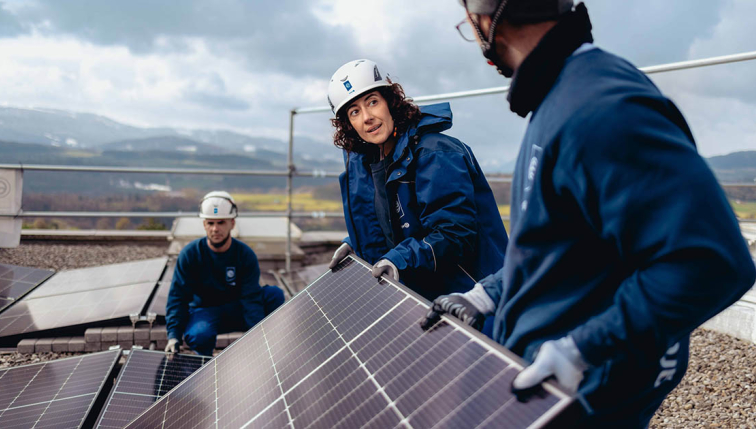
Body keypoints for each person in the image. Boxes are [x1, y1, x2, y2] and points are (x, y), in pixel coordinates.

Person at [421, 1, 756, 427]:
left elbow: (712, 263)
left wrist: (583, 349)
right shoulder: (559, 98)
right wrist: (485, 295)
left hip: (582, 397)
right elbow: (557, 244)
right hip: (543, 385)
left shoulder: (603, 108)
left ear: (489, 19)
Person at [326, 59, 509, 304]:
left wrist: (399, 259)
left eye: (372, 102)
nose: (367, 117)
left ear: (390, 102)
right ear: (349, 125)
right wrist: (357, 244)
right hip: (427, 295)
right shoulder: (375, 161)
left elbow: (453, 233)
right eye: (355, 112)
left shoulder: (436, 153)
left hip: (473, 293)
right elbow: (395, 222)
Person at [165, 191, 285, 356]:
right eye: (210, 223)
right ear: (204, 224)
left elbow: (250, 298)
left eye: (221, 222)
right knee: (199, 335)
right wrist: (173, 335)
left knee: (275, 295)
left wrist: (258, 338)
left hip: (237, 308)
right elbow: (177, 296)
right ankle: (205, 363)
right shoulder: (190, 254)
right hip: (205, 311)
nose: (216, 229)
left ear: (232, 223)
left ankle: (270, 344)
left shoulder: (244, 254)